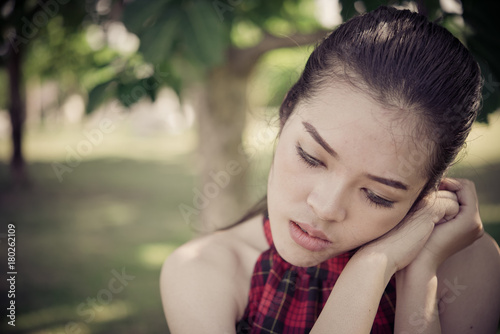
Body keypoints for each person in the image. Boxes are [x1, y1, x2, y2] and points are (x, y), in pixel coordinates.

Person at [160, 6, 500, 333]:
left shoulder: (467, 265)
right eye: (311, 157)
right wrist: (374, 264)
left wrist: (419, 274)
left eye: (377, 195)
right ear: (286, 110)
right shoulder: (201, 270)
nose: (325, 208)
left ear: (427, 192)